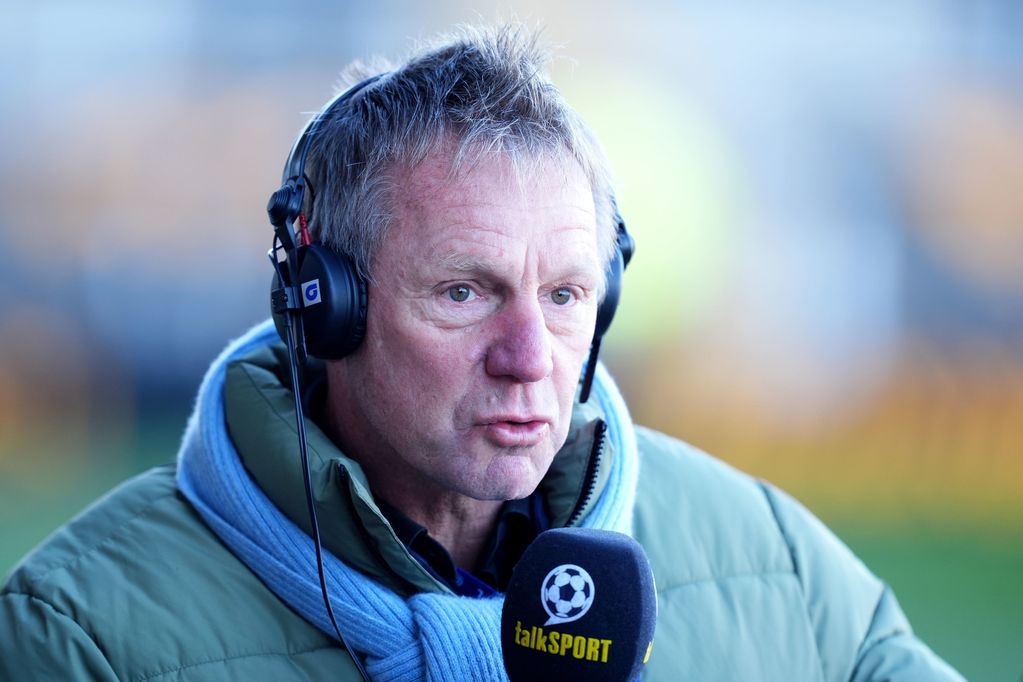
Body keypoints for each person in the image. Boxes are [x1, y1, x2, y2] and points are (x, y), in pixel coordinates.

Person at [0, 25, 963, 681]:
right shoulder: (77, 633)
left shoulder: (775, 564)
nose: (526, 355)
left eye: (564, 296)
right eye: (464, 292)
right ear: (322, 307)